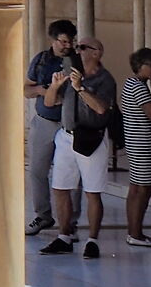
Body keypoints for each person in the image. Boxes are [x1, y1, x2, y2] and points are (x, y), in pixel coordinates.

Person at [41, 33, 117, 258]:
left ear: (96, 53)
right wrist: (55, 87)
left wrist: (81, 88)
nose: (78, 51)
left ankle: (92, 239)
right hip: (66, 135)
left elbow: (101, 108)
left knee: (93, 191)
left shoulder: (105, 79)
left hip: (92, 137)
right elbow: (49, 102)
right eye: (77, 47)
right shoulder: (69, 71)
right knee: (60, 187)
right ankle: (64, 235)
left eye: (83, 47)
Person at [25, 17, 77, 234]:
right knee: (37, 171)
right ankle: (42, 215)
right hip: (45, 121)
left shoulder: (77, 60)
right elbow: (27, 90)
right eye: (63, 41)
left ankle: (69, 222)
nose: (67, 46)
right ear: (53, 40)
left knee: (72, 174)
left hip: (69, 124)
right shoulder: (41, 60)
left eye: (70, 42)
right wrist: (43, 91)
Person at [121, 48, 151, 247]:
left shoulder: (131, 84)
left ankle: (134, 232)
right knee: (143, 189)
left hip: (136, 142)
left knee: (136, 188)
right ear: (141, 66)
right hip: (143, 144)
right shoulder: (139, 87)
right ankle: (136, 233)